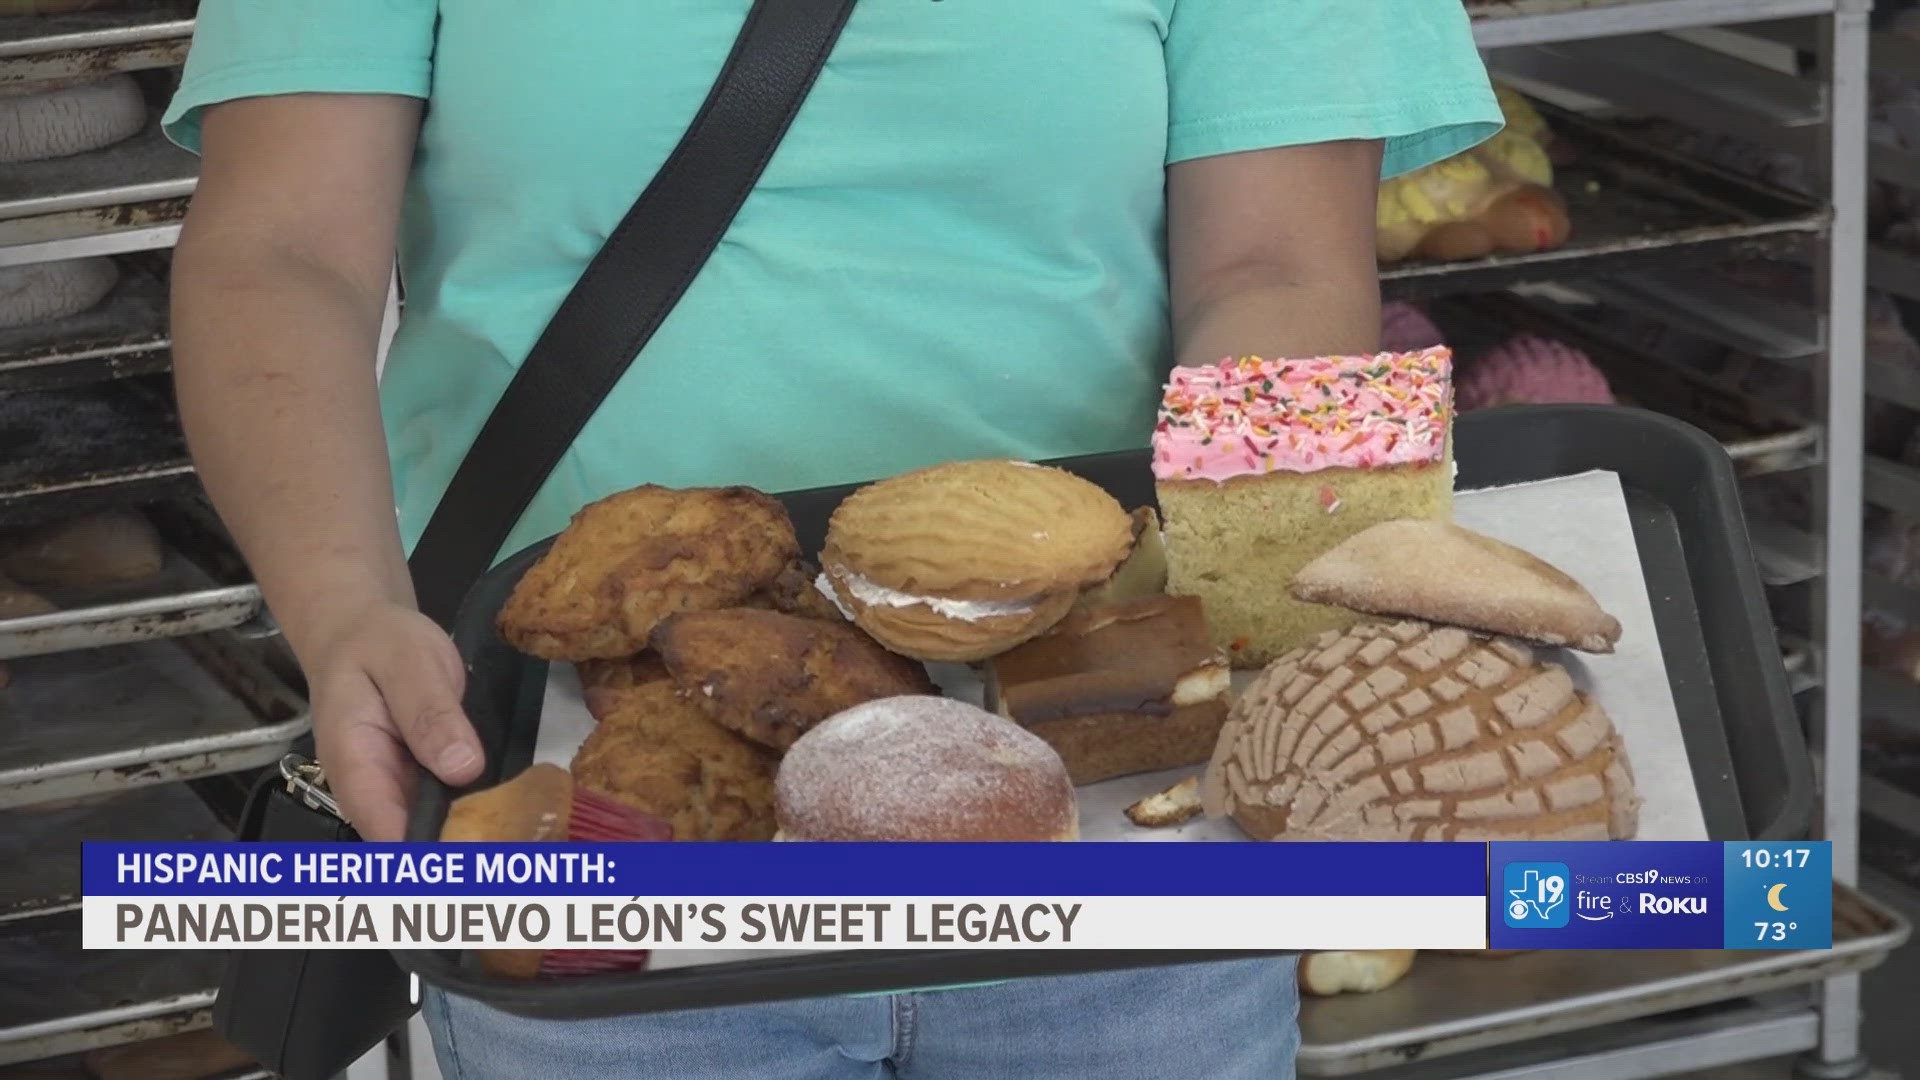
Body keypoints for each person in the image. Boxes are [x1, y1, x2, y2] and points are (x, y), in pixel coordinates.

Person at [163, 3, 1498, 1077]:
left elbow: (1282, 266)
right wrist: (343, 613)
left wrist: (1274, 623)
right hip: (600, 778)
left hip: (1100, 781)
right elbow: (279, 253)